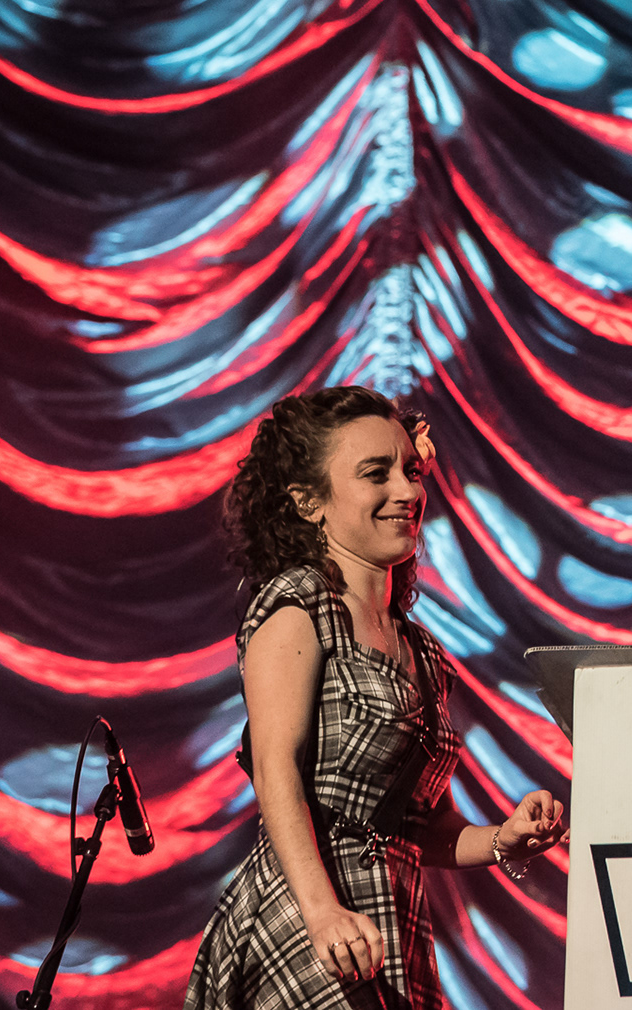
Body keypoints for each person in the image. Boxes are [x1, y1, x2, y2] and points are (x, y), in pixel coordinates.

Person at [186, 385, 568, 1009]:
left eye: (411, 471)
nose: (407, 491)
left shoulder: (419, 649)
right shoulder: (299, 606)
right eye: (376, 474)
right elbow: (274, 768)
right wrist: (321, 912)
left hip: (387, 923)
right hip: (308, 919)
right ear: (309, 502)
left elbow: (420, 827)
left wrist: (504, 838)